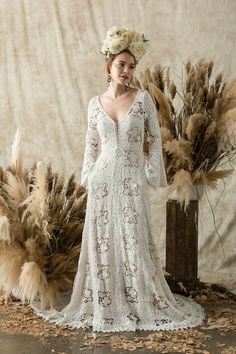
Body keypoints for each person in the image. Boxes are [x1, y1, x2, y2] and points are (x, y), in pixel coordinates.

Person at [32, 26, 205, 332]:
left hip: (130, 181)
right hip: (101, 182)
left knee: (132, 242)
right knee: (103, 243)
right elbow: (91, 146)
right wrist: (87, 180)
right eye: (121, 65)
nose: (127, 71)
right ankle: (105, 301)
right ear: (109, 67)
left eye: (131, 66)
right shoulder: (94, 104)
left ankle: (137, 300)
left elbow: (153, 137)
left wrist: (150, 175)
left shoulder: (143, 100)